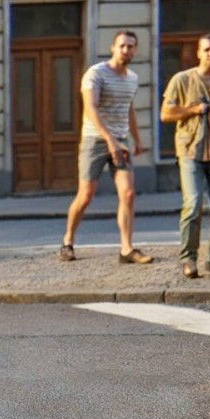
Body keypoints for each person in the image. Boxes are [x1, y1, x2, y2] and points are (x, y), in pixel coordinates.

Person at [61, 30, 151, 264]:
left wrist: (137, 139)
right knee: (86, 195)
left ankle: (126, 249)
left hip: (121, 140)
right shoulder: (96, 73)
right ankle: (68, 241)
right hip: (94, 140)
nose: (126, 50)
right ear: (113, 48)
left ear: (135, 50)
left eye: (130, 46)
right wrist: (109, 140)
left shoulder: (132, 78)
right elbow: (90, 108)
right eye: (122, 46)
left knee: (128, 193)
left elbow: (129, 109)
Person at [159, 31, 210, 279]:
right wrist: (193, 110)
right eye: (207, 49)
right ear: (198, 52)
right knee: (193, 204)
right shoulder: (182, 79)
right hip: (190, 150)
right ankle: (188, 258)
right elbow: (165, 114)